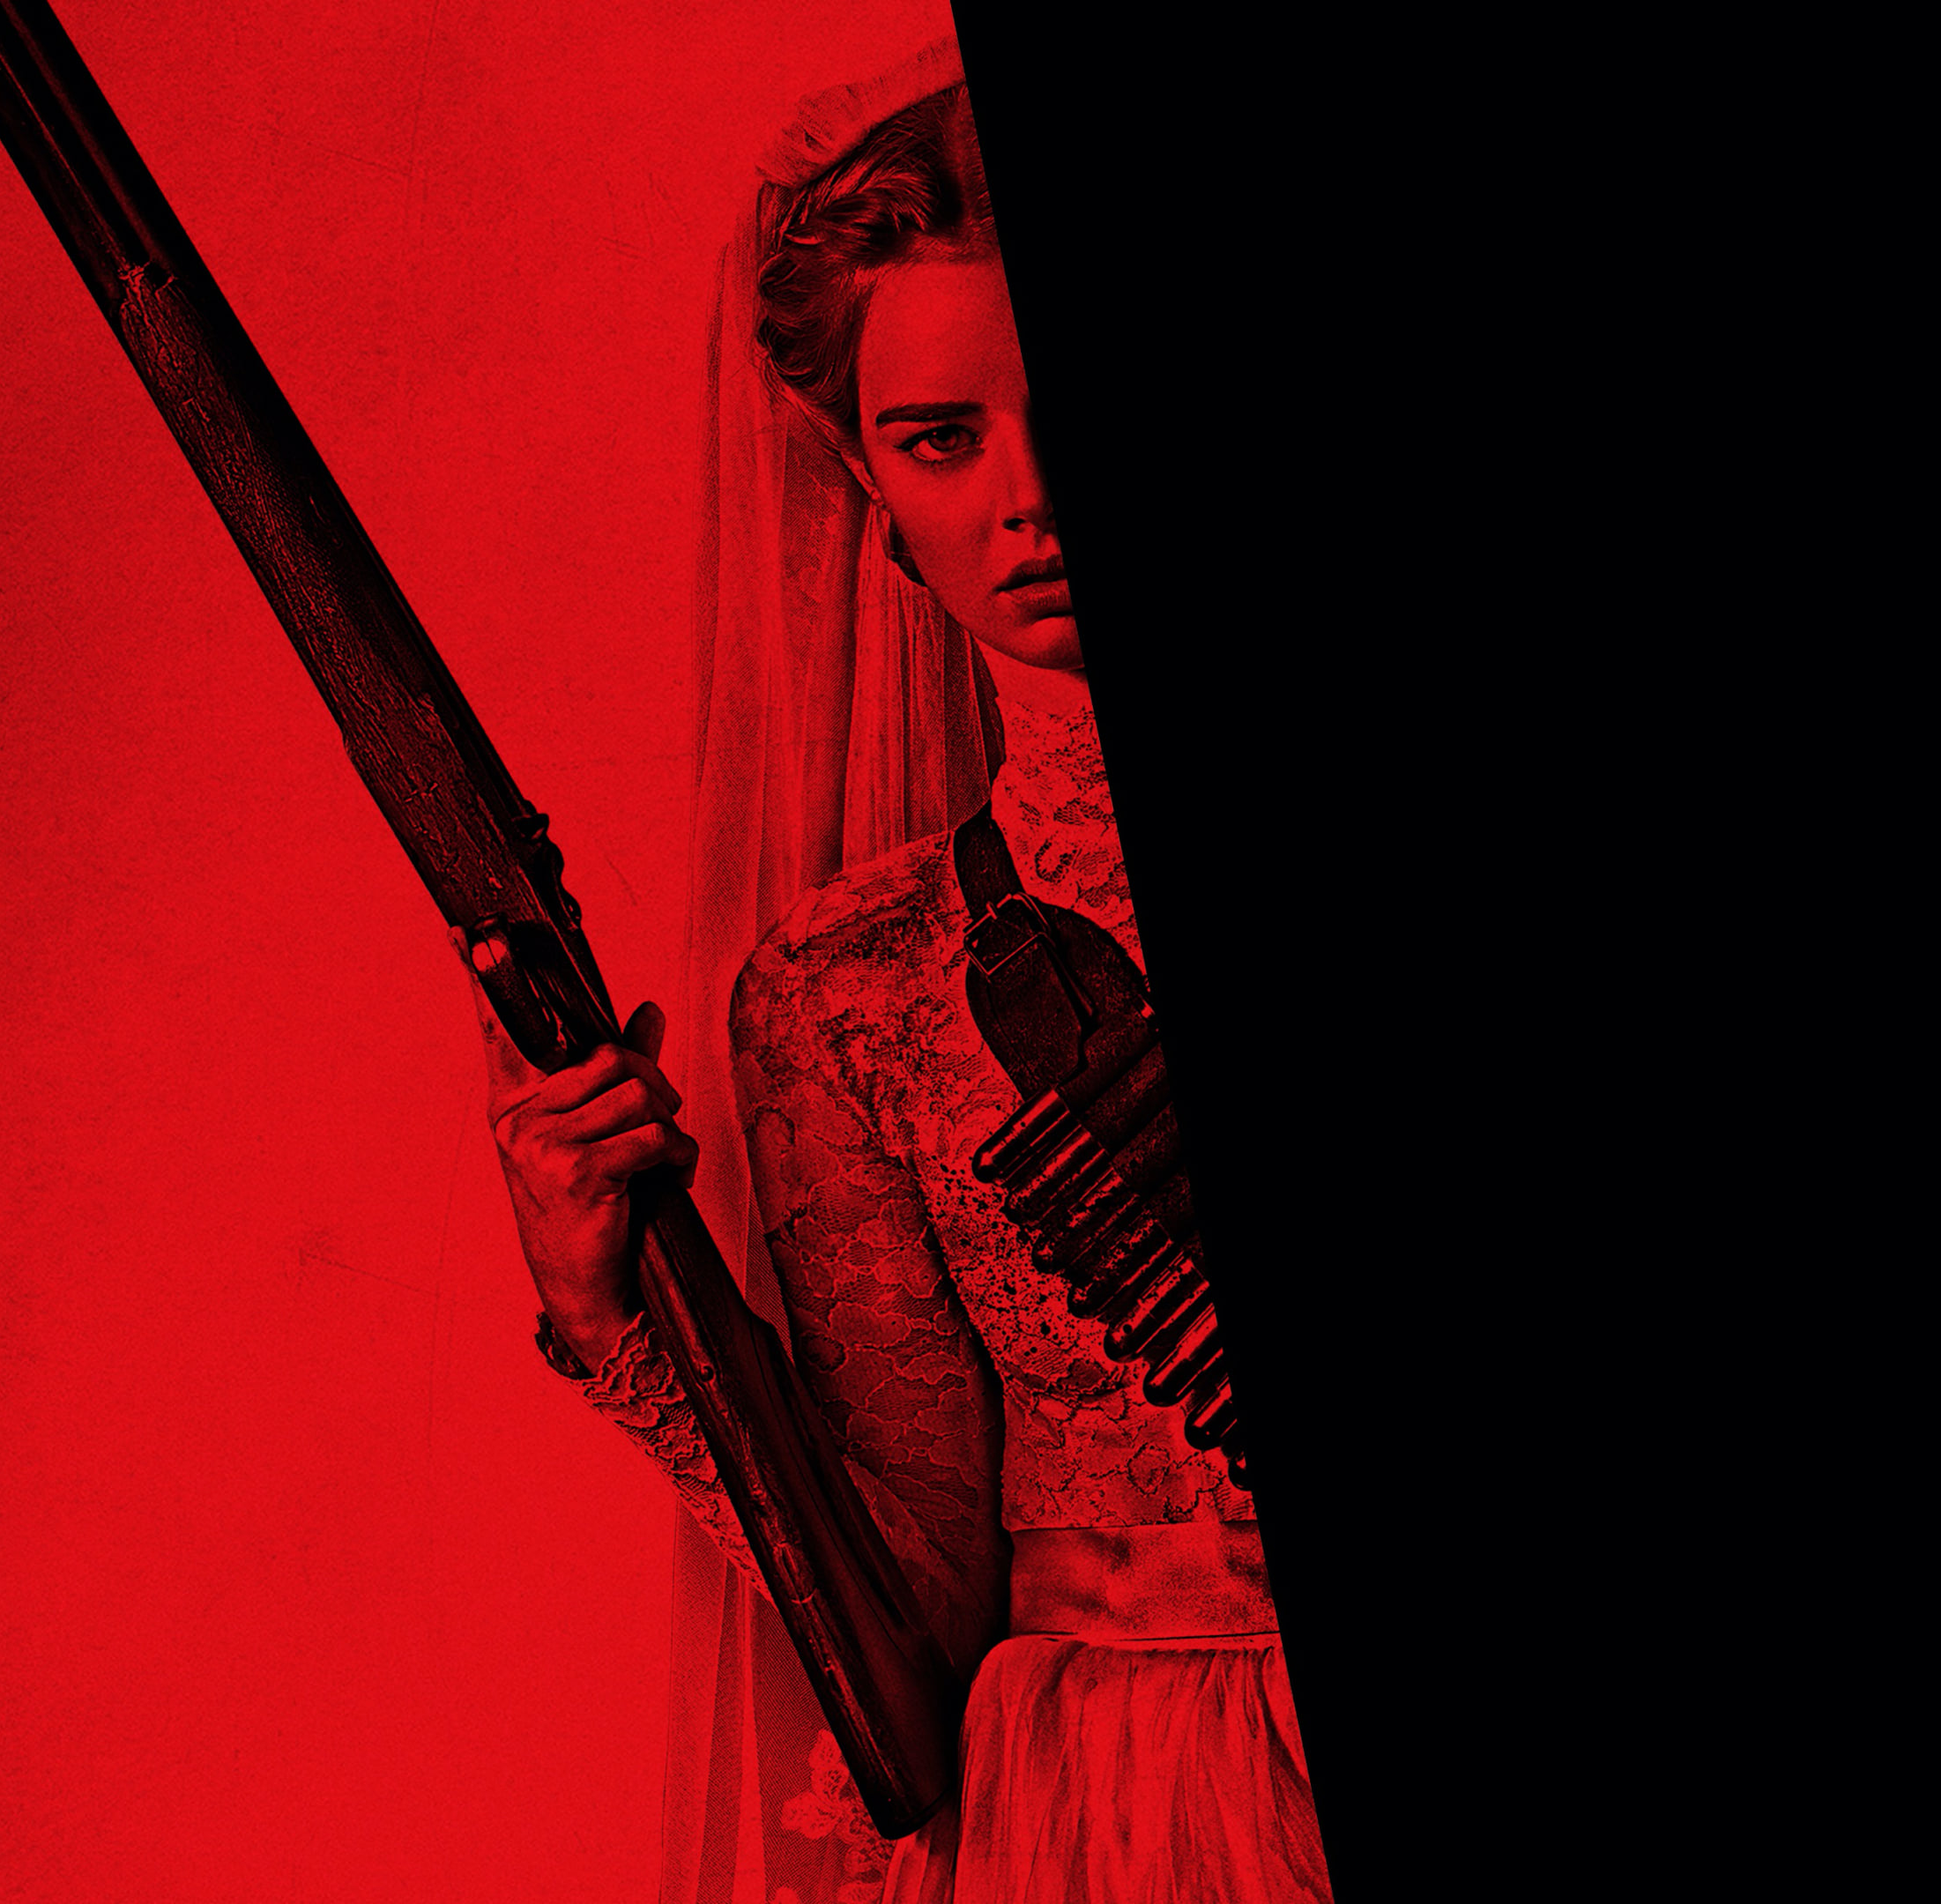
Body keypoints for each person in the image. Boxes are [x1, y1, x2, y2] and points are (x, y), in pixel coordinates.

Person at [466, 41, 1330, 1904]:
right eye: (944, 438)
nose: (1031, 498)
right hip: (1129, 1816)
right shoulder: (853, 989)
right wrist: (613, 1312)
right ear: (867, 482)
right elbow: (911, 1616)